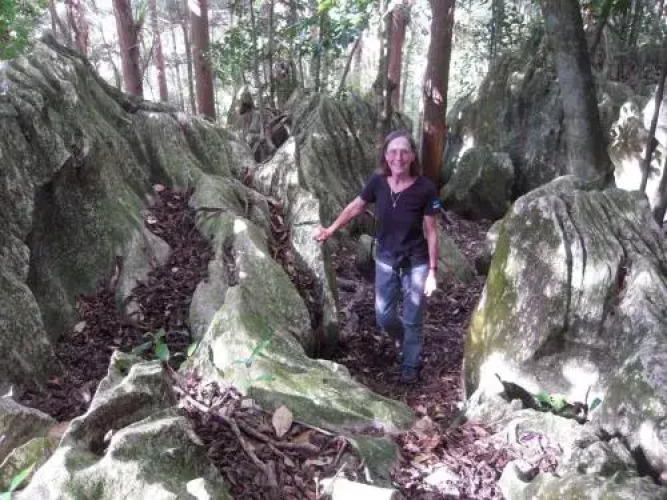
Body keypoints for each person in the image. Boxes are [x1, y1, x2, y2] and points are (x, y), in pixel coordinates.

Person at [313, 129, 440, 384]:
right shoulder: (378, 182)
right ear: (386, 155)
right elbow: (356, 207)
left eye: (404, 152)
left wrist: (432, 272)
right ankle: (406, 339)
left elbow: (431, 231)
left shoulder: (425, 188)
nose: (398, 157)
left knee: (413, 319)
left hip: (416, 262)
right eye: (393, 152)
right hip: (386, 260)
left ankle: (410, 365)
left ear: (412, 156)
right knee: (384, 316)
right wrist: (330, 230)